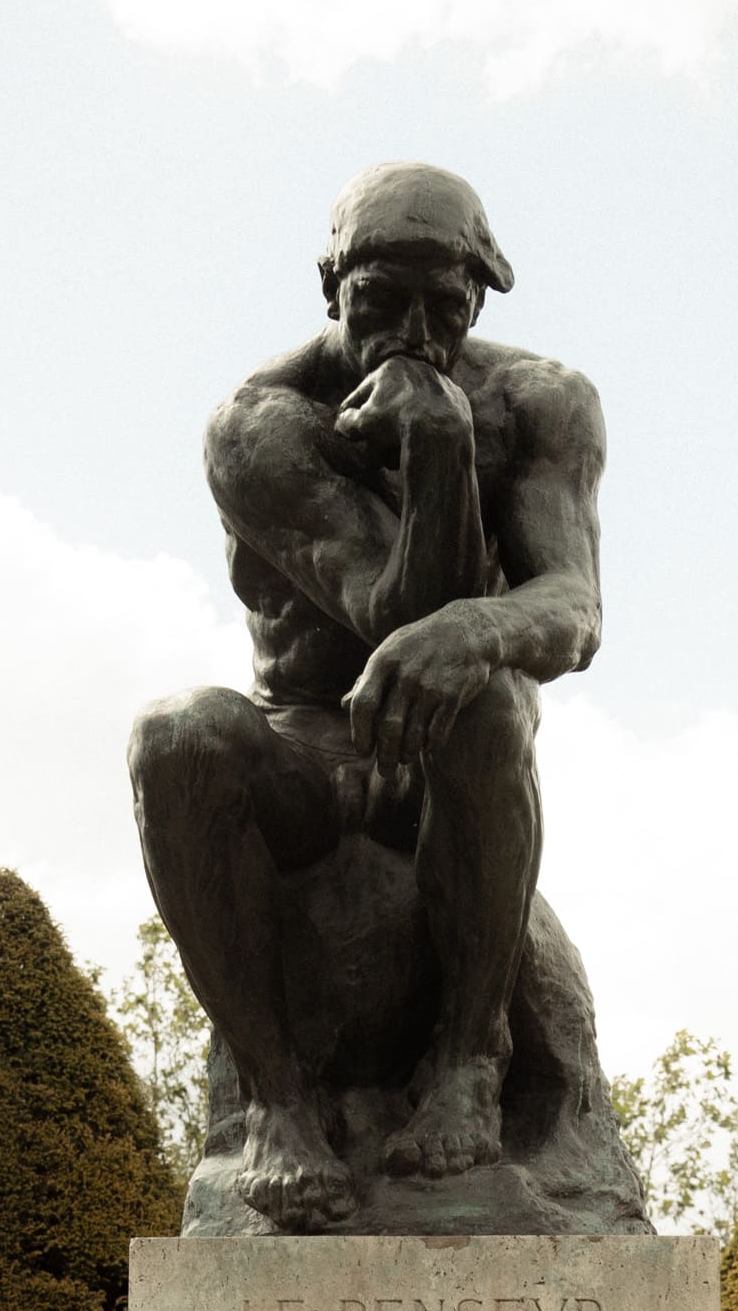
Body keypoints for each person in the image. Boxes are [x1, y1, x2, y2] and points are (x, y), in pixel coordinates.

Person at [128, 160, 606, 1225]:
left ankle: (468, 1059)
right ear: (329, 285)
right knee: (174, 737)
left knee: (484, 698)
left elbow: (574, 611)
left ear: (483, 293)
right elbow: (386, 612)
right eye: (380, 301)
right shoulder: (258, 424)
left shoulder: (540, 403)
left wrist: (480, 621)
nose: (415, 330)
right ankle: (279, 1104)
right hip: (306, 749)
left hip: (439, 771)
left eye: (446, 304)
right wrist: (436, 444)